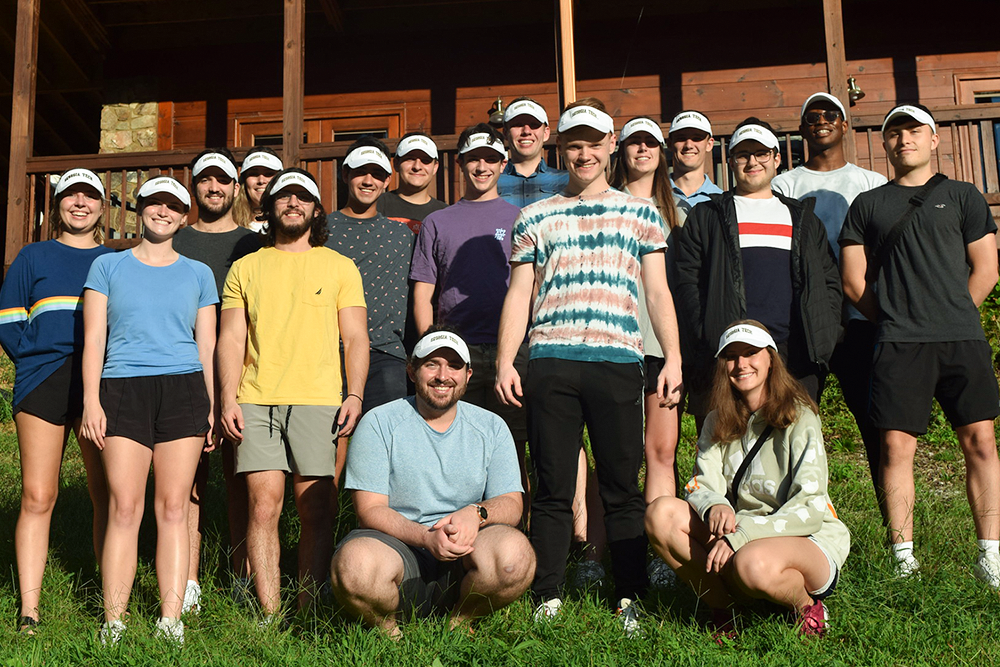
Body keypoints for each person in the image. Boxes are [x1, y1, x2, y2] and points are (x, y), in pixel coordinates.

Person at [495, 98, 683, 635]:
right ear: (564, 148)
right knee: (552, 488)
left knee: (622, 487)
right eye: (573, 143)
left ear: (609, 147)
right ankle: (547, 593)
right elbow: (518, 294)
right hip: (550, 361)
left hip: (619, 362)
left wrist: (672, 357)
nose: (583, 152)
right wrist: (508, 360)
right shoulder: (534, 216)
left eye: (593, 142)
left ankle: (631, 597)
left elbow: (657, 290)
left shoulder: (641, 214)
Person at [839, 104, 1000, 584]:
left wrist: (953, 315)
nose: (903, 138)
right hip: (899, 344)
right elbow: (852, 281)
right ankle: (903, 560)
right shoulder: (867, 205)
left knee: (981, 442)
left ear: (934, 140)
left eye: (913, 130)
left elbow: (987, 268)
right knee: (894, 447)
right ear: (885, 145)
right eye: (894, 133)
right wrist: (895, 318)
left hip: (961, 339)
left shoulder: (964, 196)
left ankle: (990, 557)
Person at [218, 168, 369, 619]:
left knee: (316, 509)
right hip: (256, 398)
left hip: (319, 400)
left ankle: (307, 610)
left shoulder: (340, 265)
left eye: (303, 196)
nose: (292, 203)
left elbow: (357, 338)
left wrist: (355, 394)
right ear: (269, 207)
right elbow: (230, 339)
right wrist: (227, 398)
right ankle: (268, 616)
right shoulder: (244, 268)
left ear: (316, 209)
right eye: (284, 196)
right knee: (263, 506)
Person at [646, 321, 849, 638]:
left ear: (771, 358)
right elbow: (700, 483)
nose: (741, 364)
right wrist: (714, 505)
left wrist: (741, 535)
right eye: (731, 356)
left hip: (806, 537)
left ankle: (807, 606)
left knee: (752, 563)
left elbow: (809, 507)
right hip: (743, 534)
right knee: (660, 514)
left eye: (751, 353)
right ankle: (726, 611)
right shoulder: (716, 419)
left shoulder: (801, 417)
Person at [80, 175, 218, 645]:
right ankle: (113, 622)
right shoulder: (107, 267)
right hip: (121, 388)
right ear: (141, 210)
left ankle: (170, 620)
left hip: (184, 391)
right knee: (124, 506)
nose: (163, 212)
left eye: (173, 206)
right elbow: (94, 338)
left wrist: (212, 407)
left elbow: (208, 347)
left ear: (184, 216)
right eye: (155, 204)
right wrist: (91, 399)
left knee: (175, 507)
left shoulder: (199, 273)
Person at [330, 327, 535, 637]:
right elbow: (369, 510)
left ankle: (460, 623)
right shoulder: (379, 422)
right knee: (354, 569)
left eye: (454, 365)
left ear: (468, 374)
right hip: (398, 548)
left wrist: (475, 513)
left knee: (515, 557)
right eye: (431, 364)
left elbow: (511, 504)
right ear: (411, 371)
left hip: (467, 552)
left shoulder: (492, 427)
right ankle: (390, 634)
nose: (443, 375)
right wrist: (426, 537)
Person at [672, 118, 842, 432]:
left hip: (794, 356)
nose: (753, 162)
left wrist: (824, 334)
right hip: (727, 356)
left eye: (762, 153)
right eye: (743, 154)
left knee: (793, 451)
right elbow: (687, 283)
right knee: (724, 452)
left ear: (777, 159)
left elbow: (829, 282)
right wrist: (708, 336)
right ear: (731, 160)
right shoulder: (707, 217)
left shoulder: (802, 218)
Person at [0, 168, 114, 634]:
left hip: (100, 387)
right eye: (71, 196)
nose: (80, 203)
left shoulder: (115, 260)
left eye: (90, 196)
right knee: (38, 495)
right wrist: (35, 358)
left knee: (106, 495)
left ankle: (113, 602)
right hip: (42, 381)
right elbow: (8, 322)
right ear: (58, 205)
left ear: (103, 207)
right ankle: (30, 609)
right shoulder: (33, 255)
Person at [408, 124, 529, 516]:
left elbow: (531, 287)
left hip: (509, 354)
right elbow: (424, 293)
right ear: (459, 163)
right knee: (454, 445)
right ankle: (451, 532)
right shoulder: (438, 222)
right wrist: (431, 348)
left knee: (511, 449)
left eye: (490, 159)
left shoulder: (521, 217)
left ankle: (513, 539)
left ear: (503, 163)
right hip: (455, 355)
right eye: (474, 158)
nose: (482, 166)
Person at [771, 93, 887, 497]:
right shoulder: (784, 184)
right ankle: (797, 517)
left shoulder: (871, 183)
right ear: (803, 128)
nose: (821, 120)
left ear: (844, 125)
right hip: (803, 321)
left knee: (876, 423)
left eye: (830, 114)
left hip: (860, 319)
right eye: (811, 115)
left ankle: (897, 533)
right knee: (794, 424)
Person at [173, 148, 262, 610]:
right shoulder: (176, 239)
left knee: (240, 478)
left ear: (235, 185)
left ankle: (242, 574)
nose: (213, 187)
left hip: (246, 375)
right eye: (205, 179)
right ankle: (187, 580)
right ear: (194, 186)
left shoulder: (253, 243)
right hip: (183, 372)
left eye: (222, 180)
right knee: (187, 480)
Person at [609, 116, 684, 589]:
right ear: (620, 152)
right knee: (617, 455)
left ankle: (661, 553)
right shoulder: (602, 205)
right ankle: (609, 551)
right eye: (633, 143)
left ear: (662, 151)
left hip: (659, 347)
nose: (642, 150)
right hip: (612, 344)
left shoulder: (680, 215)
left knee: (661, 450)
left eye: (650, 143)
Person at [326, 138, 411, 413]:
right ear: (345, 175)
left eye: (377, 174)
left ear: (387, 180)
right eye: (360, 172)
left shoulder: (403, 236)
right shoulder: (319, 230)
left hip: (385, 354)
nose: (368, 180)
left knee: (386, 445)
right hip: (327, 351)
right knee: (330, 447)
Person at [498, 97, 569, 208]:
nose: (526, 131)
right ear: (506, 132)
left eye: (534, 124)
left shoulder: (567, 181)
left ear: (546, 133)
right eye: (518, 124)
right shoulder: (491, 184)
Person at [376, 132, 447, 234]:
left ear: (435, 167)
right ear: (396, 164)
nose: (417, 167)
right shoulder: (376, 206)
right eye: (410, 159)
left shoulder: (445, 213)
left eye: (425, 160)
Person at [666, 110, 723, 216]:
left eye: (697, 138)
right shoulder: (654, 196)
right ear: (669, 144)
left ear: (709, 144)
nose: (689, 145)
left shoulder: (721, 201)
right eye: (681, 138)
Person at [233, 147, 283, 233]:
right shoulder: (230, 222)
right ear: (244, 180)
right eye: (253, 174)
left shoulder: (292, 222)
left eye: (268, 174)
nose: (261, 180)